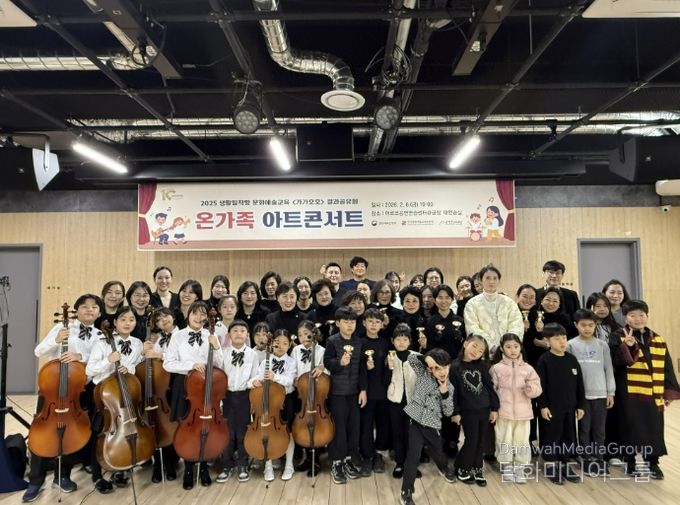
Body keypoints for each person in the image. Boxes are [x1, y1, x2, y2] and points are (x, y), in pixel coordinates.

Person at [24, 294, 102, 502]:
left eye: (94, 307)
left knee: (71, 434)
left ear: (99, 313)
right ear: (76, 311)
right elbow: (38, 351)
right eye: (85, 306)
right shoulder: (62, 327)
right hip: (53, 390)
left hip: (78, 392)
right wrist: (56, 340)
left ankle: (62, 475)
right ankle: (35, 480)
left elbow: (100, 363)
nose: (89, 310)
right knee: (42, 432)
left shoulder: (99, 336)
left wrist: (80, 358)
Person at [609, 300, 680, 479]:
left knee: (654, 427)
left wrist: (668, 391)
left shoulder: (657, 338)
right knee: (629, 426)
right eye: (632, 315)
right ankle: (630, 461)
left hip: (654, 391)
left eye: (642, 315)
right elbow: (614, 362)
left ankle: (653, 462)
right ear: (625, 317)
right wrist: (627, 346)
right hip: (629, 392)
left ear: (647, 316)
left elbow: (667, 366)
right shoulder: (617, 336)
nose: (638, 319)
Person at [163, 301, 224, 489]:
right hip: (184, 385)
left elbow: (220, 364)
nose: (199, 317)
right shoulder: (178, 336)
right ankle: (189, 468)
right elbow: (168, 363)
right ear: (188, 315)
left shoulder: (211, 335)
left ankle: (204, 466)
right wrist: (191, 365)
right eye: (195, 313)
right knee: (187, 429)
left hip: (206, 386)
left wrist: (216, 347)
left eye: (202, 314)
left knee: (205, 428)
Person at [86, 305, 145, 492]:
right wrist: (108, 360)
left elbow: (138, 363)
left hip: (126, 392)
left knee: (126, 430)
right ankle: (97, 475)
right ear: (115, 322)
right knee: (99, 433)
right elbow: (90, 370)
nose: (127, 323)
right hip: (105, 395)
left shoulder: (137, 343)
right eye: (123, 319)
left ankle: (121, 469)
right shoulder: (102, 343)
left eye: (131, 320)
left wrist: (130, 369)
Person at [399, 348, 456, 505]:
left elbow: (448, 411)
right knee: (413, 456)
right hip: (416, 421)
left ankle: (443, 468)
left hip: (432, 425)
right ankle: (406, 491)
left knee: (438, 451)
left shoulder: (450, 387)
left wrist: (444, 394)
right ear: (430, 368)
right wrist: (427, 359)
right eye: (436, 368)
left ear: (449, 366)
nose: (441, 372)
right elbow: (411, 358)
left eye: (444, 367)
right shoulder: (423, 373)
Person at [323, 307, 368, 484]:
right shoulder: (332, 341)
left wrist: (363, 390)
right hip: (337, 393)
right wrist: (339, 363)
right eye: (346, 322)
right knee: (338, 428)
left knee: (353, 427)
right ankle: (337, 463)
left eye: (352, 322)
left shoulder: (359, 342)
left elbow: (362, 368)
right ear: (338, 323)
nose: (350, 325)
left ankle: (348, 459)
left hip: (354, 392)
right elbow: (327, 362)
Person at [535, 323, 585, 485]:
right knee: (551, 436)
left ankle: (564, 464)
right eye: (557, 339)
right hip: (551, 408)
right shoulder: (544, 360)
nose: (562, 341)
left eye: (564, 338)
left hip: (569, 407)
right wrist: (543, 406)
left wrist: (580, 405)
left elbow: (579, 384)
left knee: (568, 436)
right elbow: (540, 386)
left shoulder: (571, 359)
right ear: (547, 341)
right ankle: (550, 465)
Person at [567, 309, 615, 476]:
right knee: (584, 428)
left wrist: (610, 392)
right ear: (576, 325)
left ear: (595, 325)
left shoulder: (602, 345)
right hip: (582, 397)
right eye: (583, 325)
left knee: (599, 430)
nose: (587, 328)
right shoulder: (570, 345)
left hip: (601, 394)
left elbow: (608, 369)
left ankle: (599, 458)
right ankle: (586, 458)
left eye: (590, 325)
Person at [489, 333, 542, 483]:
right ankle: (506, 466)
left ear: (520, 347)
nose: (512, 350)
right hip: (503, 412)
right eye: (508, 347)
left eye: (516, 346)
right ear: (502, 348)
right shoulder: (496, 369)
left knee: (522, 440)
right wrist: (493, 409)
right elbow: (491, 391)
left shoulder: (528, 368)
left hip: (523, 413)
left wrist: (531, 389)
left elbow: (537, 387)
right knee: (503, 439)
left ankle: (520, 467)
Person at [249, 329, 297, 482]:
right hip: (268, 400)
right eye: (277, 343)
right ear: (272, 344)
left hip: (287, 400)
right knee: (267, 431)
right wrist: (254, 382)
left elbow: (290, 380)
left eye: (285, 343)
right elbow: (254, 379)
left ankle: (289, 464)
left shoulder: (292, 362)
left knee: (288, 431)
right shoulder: (265, 362)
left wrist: (275, 376)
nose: (281, 347)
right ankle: (268, 465)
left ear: (289, 345)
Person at [450, 335, 499, 486]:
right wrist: (455, 412)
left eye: (480, 351)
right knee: (471, 440)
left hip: (484, 409)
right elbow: (453, 393)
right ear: (466, 344)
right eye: (474, 346)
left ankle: (477, 468)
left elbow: (489, 387)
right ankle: (462, 467)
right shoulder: (454, 367)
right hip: (467, 411)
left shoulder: (482, 366)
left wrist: (494, 408)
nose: (476, 352)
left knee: (481, 440)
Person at [216, 320, 258, 484]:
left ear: (247, 335)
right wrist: (219, 400)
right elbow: (219, 377)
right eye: (235, 331)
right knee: (227, 432)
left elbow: (254, 376)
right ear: (229, 335)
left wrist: (252, 396)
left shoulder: (252, 354)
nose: (239, 333)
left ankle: (242, 464)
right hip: (226, 396)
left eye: (242, 331)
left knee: (242, 433)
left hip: (244, 396)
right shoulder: (223, 353)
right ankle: (226, 465)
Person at [145, 307, 180, 482]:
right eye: (158, 319)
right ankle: (158, 463)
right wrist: (148, 351)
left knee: (173, 423)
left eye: (166, 316)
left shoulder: (184, 335)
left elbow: (182, 357)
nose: (163, 320)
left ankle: (172, 461)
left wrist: (159, 354)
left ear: (173, 316)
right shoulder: (158, 339)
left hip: (177, 383)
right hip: (160, 387)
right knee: (157, 423)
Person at [290, 320, 327, 477]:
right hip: (301, 394)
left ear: (314, 334)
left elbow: (327, 370)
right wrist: (294, 378)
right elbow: (292, 368)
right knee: (303, 425)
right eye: (299, 335)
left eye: (306, 334)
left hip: (317, 394)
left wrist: (322, 368)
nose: (303, 337)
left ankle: (316, 459)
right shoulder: (295, 350)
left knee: (316, 425)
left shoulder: (322, 350)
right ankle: (306, 456)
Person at [463, 265, 523, 353]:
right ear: (481, 281)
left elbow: (517, 325)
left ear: (499, 281)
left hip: (508, 353)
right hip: (482, 352)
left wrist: (507, 346)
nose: (491, 281)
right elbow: (472, 328)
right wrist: (491, 346)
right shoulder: (472, 304)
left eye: (495, 278)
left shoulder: (509, 302)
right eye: (487, 278)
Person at [359, 308, 391, 474]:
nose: (373, 325)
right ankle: (367, 455)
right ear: (364, 323)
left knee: (383, 424)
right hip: (366, 392)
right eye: (370, 321)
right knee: (366, 425)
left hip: (383, 392)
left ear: (382, 324)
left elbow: (389, 370)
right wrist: (363, 388)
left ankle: (378, 454)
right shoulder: (359, 343)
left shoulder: (386, 344)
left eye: (377, 322)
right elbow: (357, 370)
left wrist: (389, 367)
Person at [385, 324, 417, 478]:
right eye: (398, 339)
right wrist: (389, 368)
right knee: (397, 433)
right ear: (393, 341)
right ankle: (399, 463)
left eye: (405, 339)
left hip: (412, 402)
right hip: (395, 401)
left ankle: (411, 464)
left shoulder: (416, 357)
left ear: (410, 341)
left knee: (411, 435)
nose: (401, 342)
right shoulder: (389, 357)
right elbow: (384, 381)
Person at [423, 284, 465, 359]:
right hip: (436, 362)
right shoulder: (429, 322)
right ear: (434, 300)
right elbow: (428, 347)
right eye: (440, 298)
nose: (444, 301)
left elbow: (464, 343)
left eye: (447, 297)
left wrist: (460, 339)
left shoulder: (460, 320)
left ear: (452, 299)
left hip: (456, 361)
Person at [307, 278, 338, 345]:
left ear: (331, 293)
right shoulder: (311, 315)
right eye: (320, 294)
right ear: (315, 296)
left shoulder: (340, 312)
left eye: (326, 293)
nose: (323, 297)